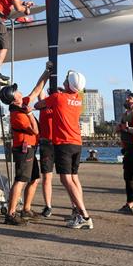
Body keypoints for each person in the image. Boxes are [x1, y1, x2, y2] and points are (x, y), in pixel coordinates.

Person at [35, 69, 93, 229]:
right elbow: (75, 87)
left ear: (67, 84)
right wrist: (71, 76)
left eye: (66, 80)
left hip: (64, 143)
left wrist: (48, 75)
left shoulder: (57, 98)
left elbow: (37, 104)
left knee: (65, 179)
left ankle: (84, 215)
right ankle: (76, 210)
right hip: (77, 142)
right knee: (74, 178)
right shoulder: (79, 99)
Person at [0, 64, 50, 226]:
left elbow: (37, 89)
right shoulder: (17, 115)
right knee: (20, 180)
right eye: (17, 91)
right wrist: (29, 113)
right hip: (23, 149)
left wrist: (47, 72)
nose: (20, 91)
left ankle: (26, 209)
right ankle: (11, 213)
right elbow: (35, 130)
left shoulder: (23, 104)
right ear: (14, 97)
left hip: (30, 149)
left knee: (34, 179)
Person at [36, 90, 55, 218]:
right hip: (45, 144)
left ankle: (74, 207)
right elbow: (40, 91)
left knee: (68, 177)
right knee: (47, 177)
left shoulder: (60, 104)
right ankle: (48, 206)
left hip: (59, 143)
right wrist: (47, 72)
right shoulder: (43, 105)